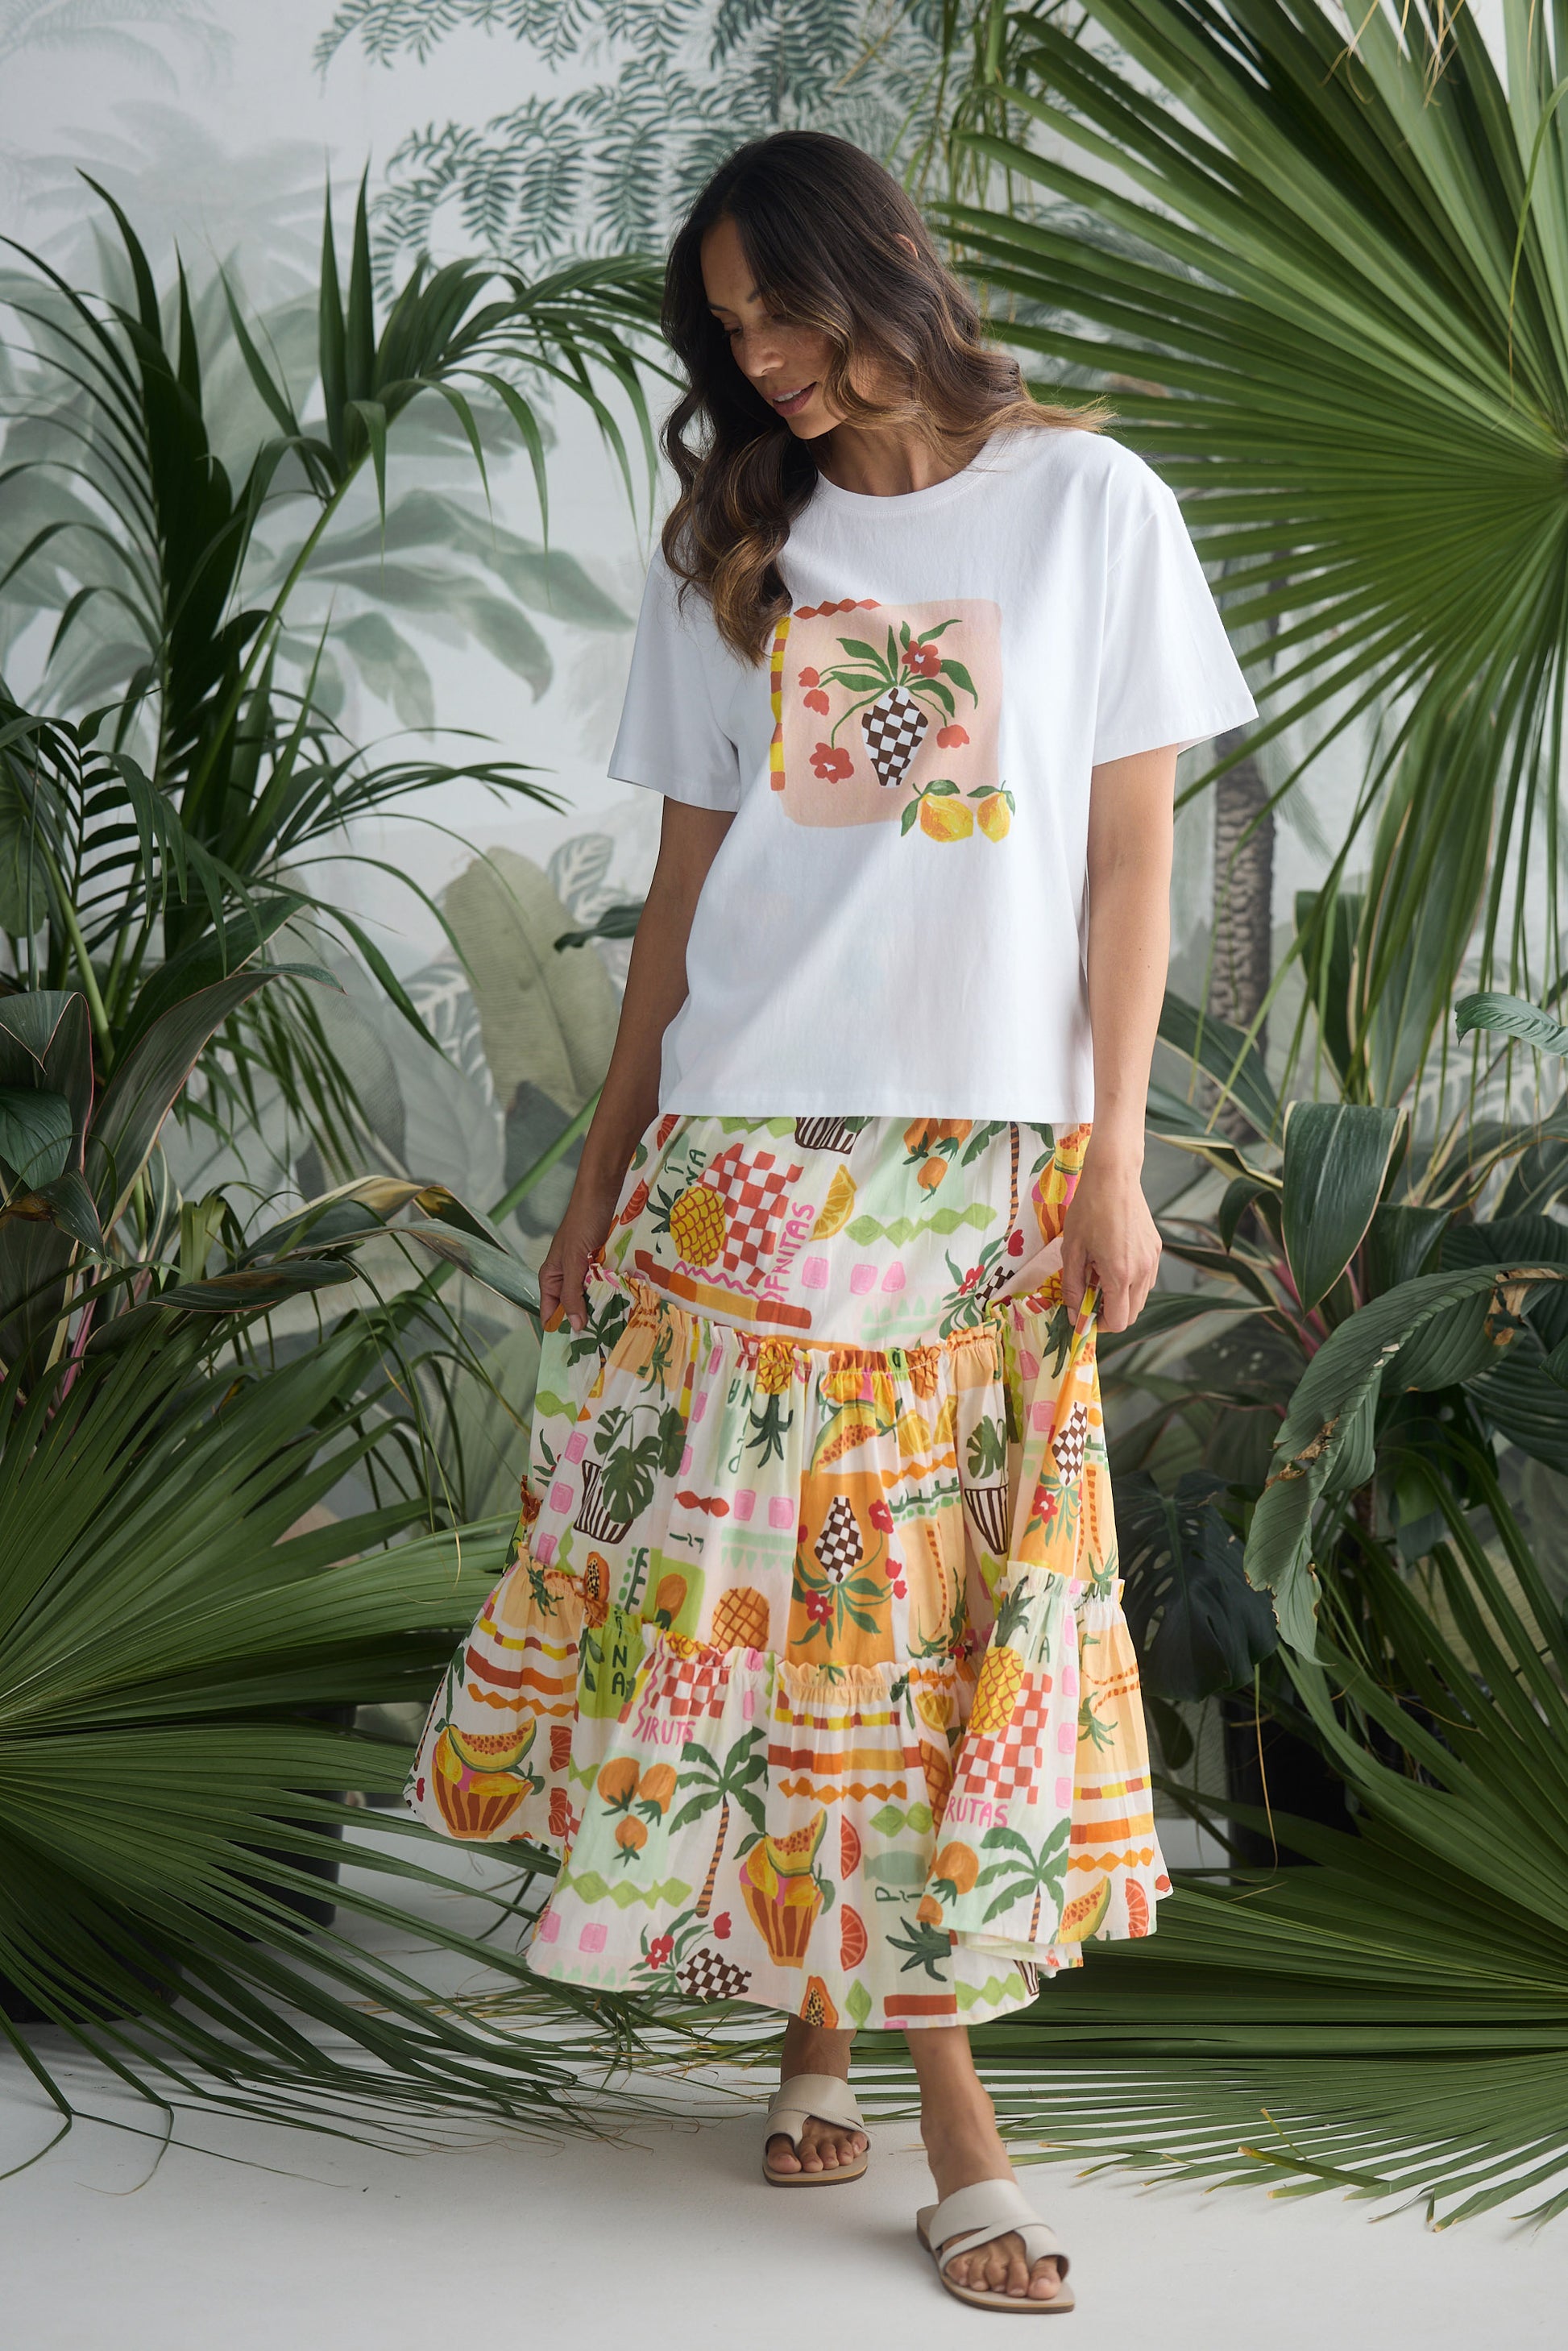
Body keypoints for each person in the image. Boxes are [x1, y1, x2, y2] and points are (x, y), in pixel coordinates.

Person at [409, 130, 1255, 2313]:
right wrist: (602, 1168)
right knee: (809, 1614)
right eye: (726, 331)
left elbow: (1128, 861)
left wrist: (1110, 1146)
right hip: (748, 1154)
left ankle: (829, 2029)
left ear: (877, 272)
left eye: (780, 311)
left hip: (979, 1155)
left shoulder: (1088, 507)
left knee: (909, 1618)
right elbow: (691, 882)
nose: (758, 358)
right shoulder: (733, 534)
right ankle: (940, 2121)